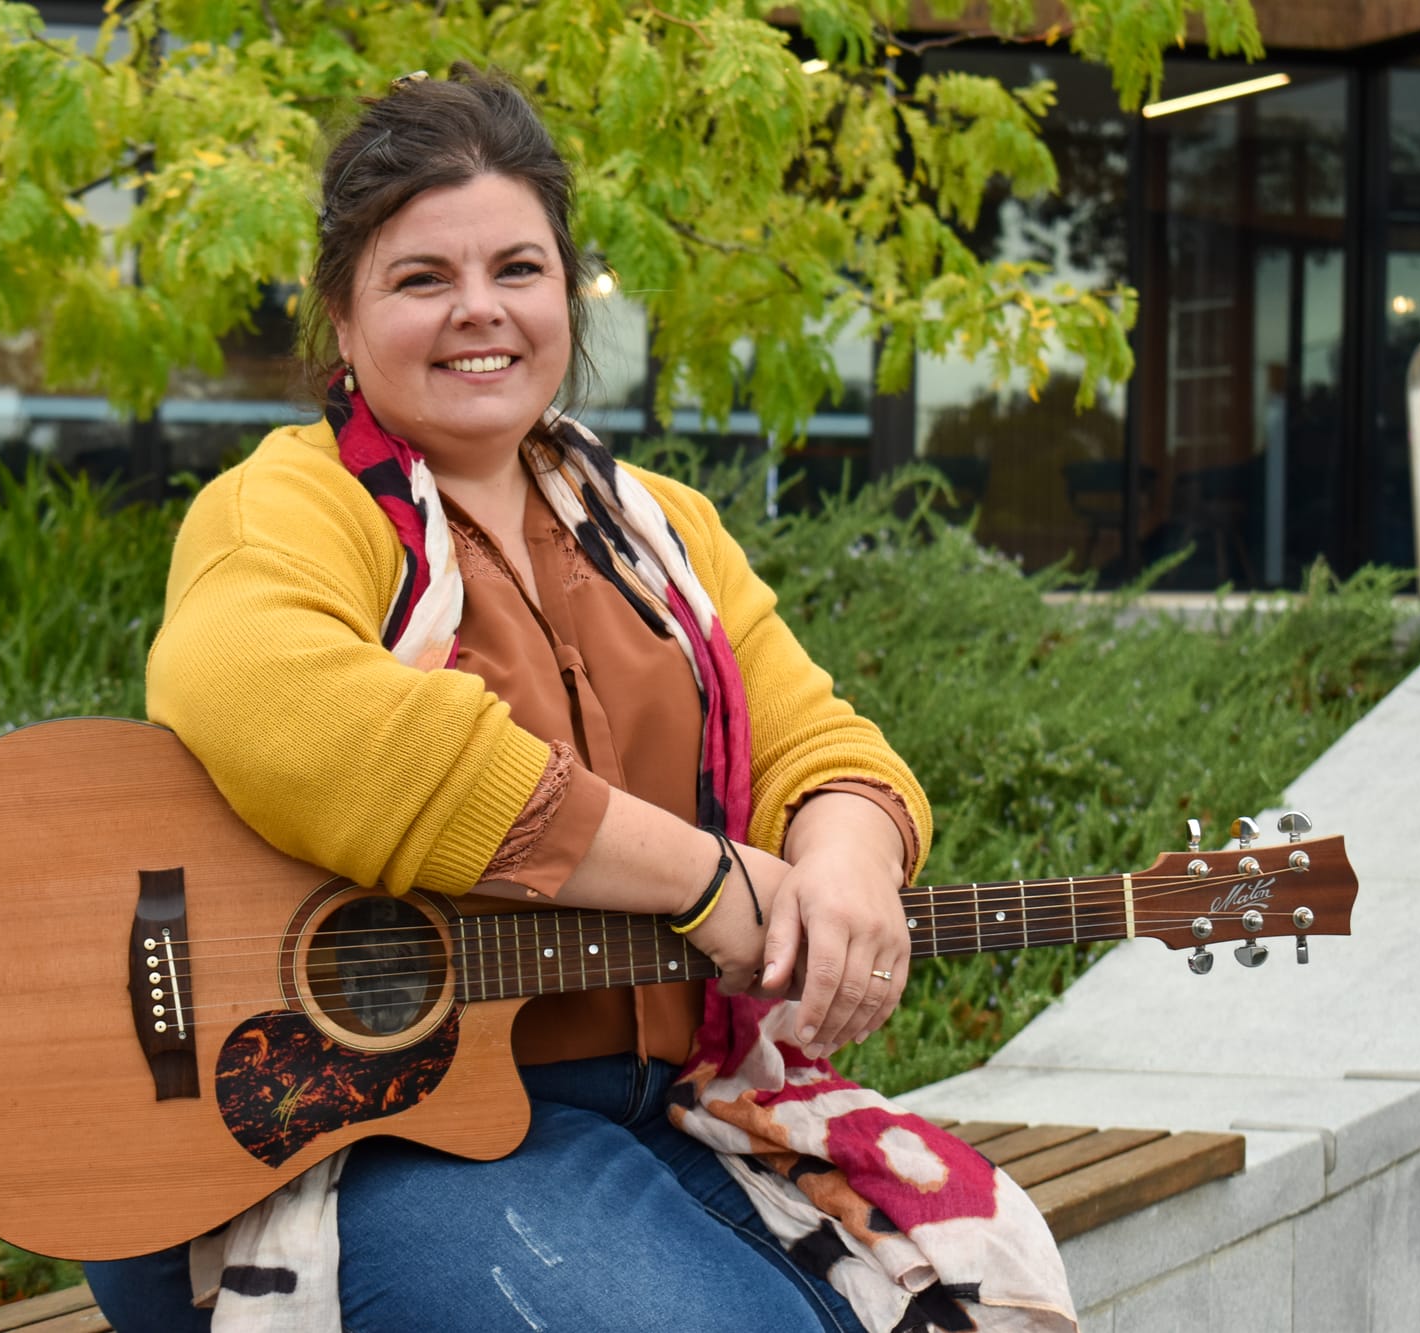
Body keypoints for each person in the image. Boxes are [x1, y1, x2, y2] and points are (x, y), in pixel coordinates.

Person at [84, 66, 1072, 1333]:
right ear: (339, 316)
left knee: (929, 1302)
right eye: (419, 278)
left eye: (517, 269)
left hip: (669, 1096)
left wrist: (848, 860)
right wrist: (704, 880)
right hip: (349, 1125)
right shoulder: (287, 506)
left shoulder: (661, 529)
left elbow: (814, 739)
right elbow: (289, 708)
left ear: (568, 292)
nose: (477, 312)